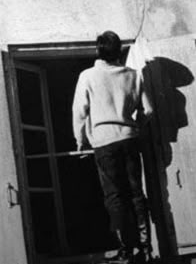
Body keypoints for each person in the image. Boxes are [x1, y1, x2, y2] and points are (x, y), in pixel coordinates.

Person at [72, 31, 154, 264]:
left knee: (114, 196)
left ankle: (126, 251)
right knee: (137, 193)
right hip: (129, 139)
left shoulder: (87, 76)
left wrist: (80, 140)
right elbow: (148, 110)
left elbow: (79, 113)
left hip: (104, 143)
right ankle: (146, 248)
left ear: (98, 51)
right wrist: (134, 126)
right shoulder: (134, 75)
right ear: (118, 52)